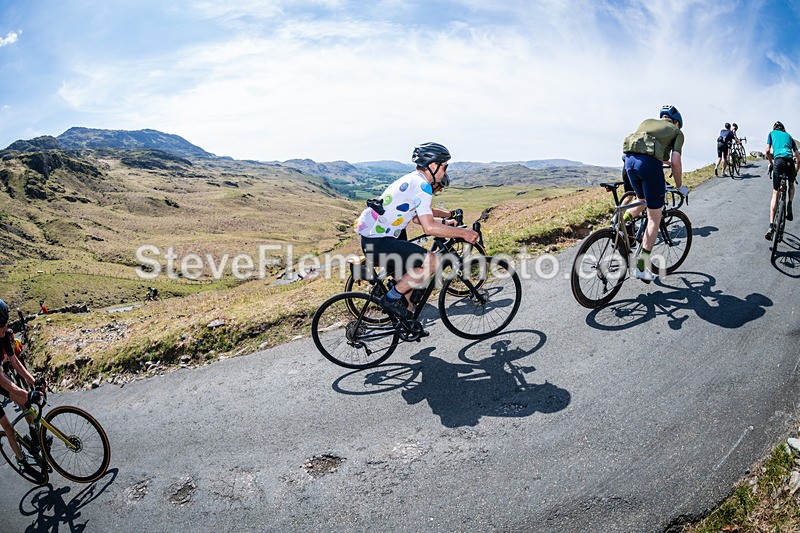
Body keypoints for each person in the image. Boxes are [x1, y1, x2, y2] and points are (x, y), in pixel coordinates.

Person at [354, 142, 479, 319]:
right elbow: (429, 228)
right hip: (380, 242)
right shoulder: (422, 186)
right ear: (433, 166)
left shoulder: (413, 180)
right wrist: (464, 233)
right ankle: (389, 299)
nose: (445, 172)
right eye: (445, 167)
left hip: (378, 240)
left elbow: (417, 218)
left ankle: (407, 322)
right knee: (432, 262)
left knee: (408, 283)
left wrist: (444, 222)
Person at [621, 105, 688, 282]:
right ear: (676, 122)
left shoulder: (646, 122)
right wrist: (680, 186)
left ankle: (619, 224)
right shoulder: (677, 132)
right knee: (654, 218)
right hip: (649, 165)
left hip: (628, 161)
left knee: (641, 200)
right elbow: (675, 160)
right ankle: (642, 268)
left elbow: (646, 150)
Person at [0, 299, 43, 478]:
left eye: (6, 322)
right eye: (1, 325)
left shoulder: (2, 337)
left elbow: (15, 362)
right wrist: (27, 393)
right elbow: (1, 380)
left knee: (25, 402)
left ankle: (34, 433)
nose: (5, 327)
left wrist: (33, 382)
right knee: (8, 427)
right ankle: (22, 460)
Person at [764, 121, 799, 240]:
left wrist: (771, 163)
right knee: (791, 184)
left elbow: (767, 151)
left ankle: (771, 226)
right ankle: (789, 203)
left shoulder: (771, 133)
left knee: (775, 193)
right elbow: (798, 158)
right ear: (783, 129)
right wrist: (796, 171)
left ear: (775, 128)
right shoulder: (789, 136)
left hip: (778, 162)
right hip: (789, 162)